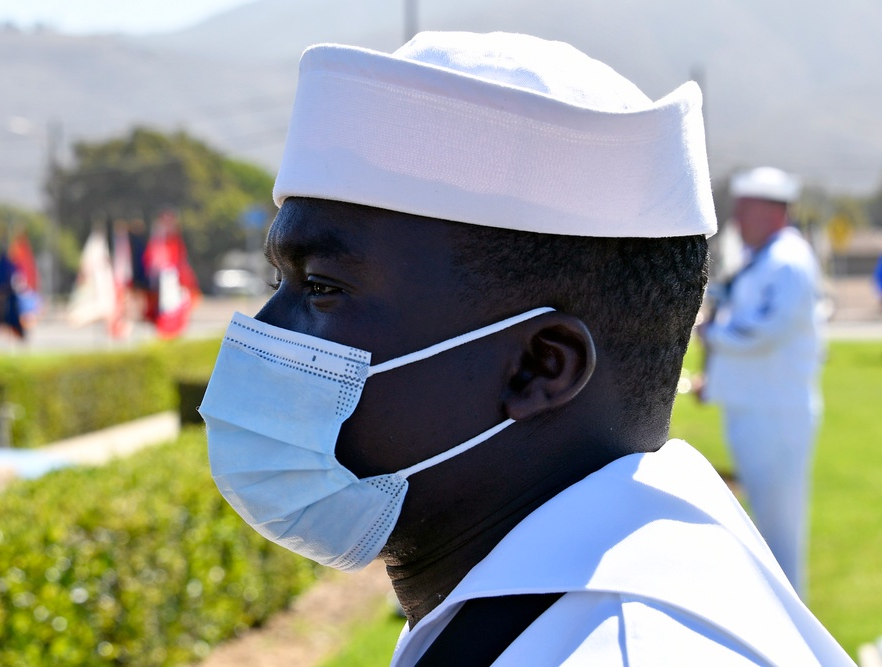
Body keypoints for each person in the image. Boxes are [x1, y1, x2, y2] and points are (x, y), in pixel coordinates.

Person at [200, 33, 852, 665]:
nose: (269, 329)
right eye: (279, 281)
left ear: (540, 366)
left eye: (320, 286)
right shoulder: (523, 614)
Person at [700, 166, 825, 602]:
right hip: (754, 409)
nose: (737, 219)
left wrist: (709, 334)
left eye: (746, 209)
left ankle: (791, 640)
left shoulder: (788, 262)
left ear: (773, 211)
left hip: (775, 415)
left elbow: (765, 332)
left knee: (778, 535)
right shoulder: (763, 259)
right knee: (763, 529)